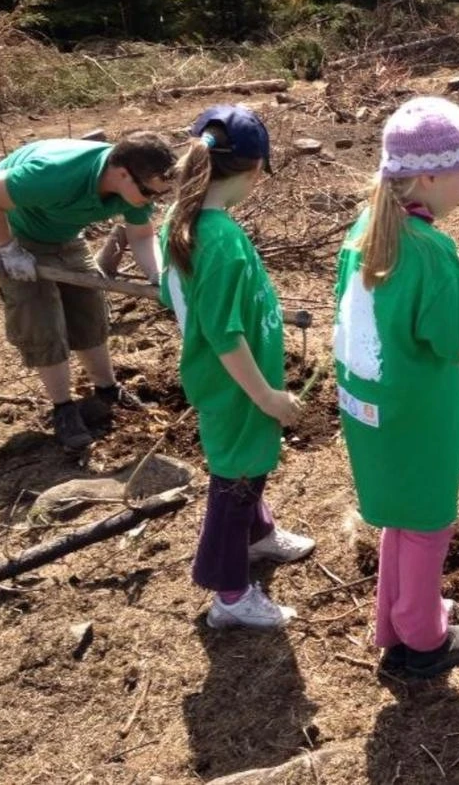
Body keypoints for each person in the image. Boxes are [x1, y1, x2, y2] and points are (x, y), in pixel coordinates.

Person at [333, 96, 459, 679]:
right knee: (429, 523)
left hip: (370, 408)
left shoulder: (365, 230)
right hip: (421, 414)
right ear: (427, 177)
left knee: (400, 515)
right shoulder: (432, 250)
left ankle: (396, 622)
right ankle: (424, 640)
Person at [160, 105, 315, 631]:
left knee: (247, 467)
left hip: (228, 380)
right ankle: (228, 591)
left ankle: (258, 534)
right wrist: (267, 396)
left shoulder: (181, 220)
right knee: (235, 480)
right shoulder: (221, 239)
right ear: (253, 171)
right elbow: (224, 335)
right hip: (238, 385)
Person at [0, 131, 177, 449]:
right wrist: (9, 250)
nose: (152, 200)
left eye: (159, 194)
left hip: (62, 232)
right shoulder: (55, 174)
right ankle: (63, 408)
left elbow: (142, 236)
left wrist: (158, 275)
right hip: (9, 228)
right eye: (149, 192)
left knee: (88, 308)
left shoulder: (136, 185)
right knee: (40, 316)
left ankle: (107, 389)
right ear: (122, 174)